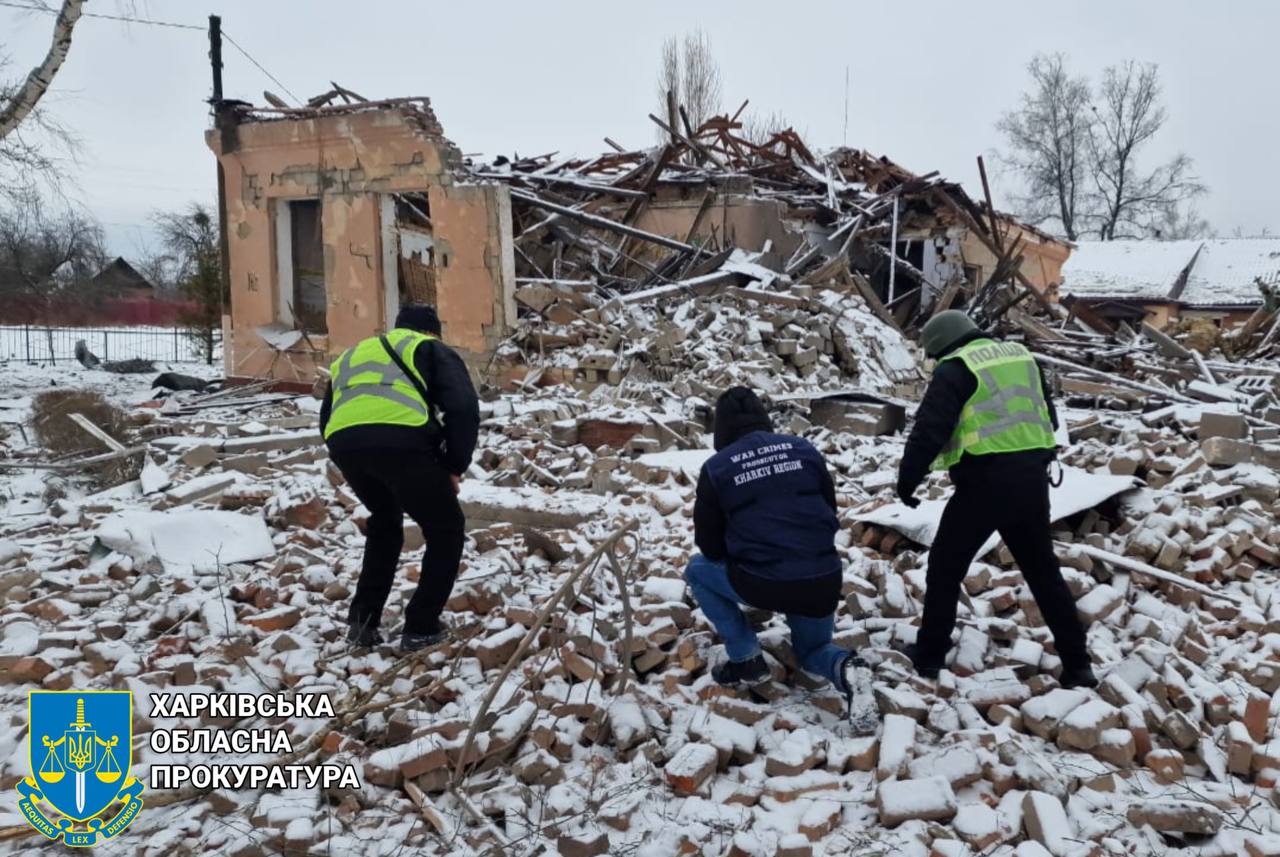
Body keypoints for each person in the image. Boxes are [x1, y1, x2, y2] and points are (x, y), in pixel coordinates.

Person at [896, 310, 1096, 688]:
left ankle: (928, 658)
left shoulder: (954, 368)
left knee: (944, 568)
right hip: (1032, 481)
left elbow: (929, 430)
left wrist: (907, 481)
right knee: (1043, 572)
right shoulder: (1022, 358)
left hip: (983, 486)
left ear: (941, 346)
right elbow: (1048, 419)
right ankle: (1078, 665)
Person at [687, 387, 877, 733]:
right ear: (764, 418)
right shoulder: (804, 449)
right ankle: (848, 669)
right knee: (813, 649)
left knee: (697, 571)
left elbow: (709, 547)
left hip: (763, 581)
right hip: (822, 577)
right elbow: (829, 510)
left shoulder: (716, 469)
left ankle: (746, 660)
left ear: (721, 429)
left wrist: (748, 544)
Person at [320, 304, 479, 653]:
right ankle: (422, 627)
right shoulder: (429, 347)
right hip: (402, 442)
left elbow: (327, 414)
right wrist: (453, 465)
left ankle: (362, 622)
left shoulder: (354, 354)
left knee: (385, 522)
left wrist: (350, 451)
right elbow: (463, 407)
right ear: (432, 331)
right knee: (446, 528)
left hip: (346, 445)